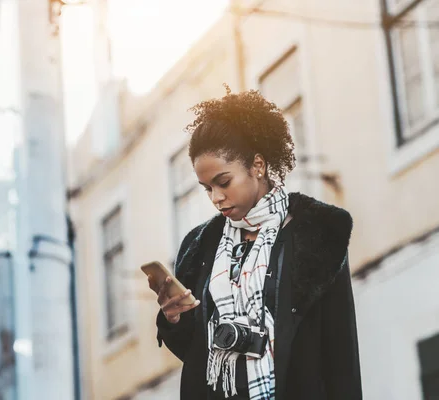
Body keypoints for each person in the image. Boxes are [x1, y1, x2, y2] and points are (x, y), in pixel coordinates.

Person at [147, 87, 361, 400]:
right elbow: (196, 354)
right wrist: (174, 319)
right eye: (207, 189)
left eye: (224, 182)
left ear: (257, 166)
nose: (216, 197)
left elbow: (341, 356)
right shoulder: (200, 245)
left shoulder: (319, 233)